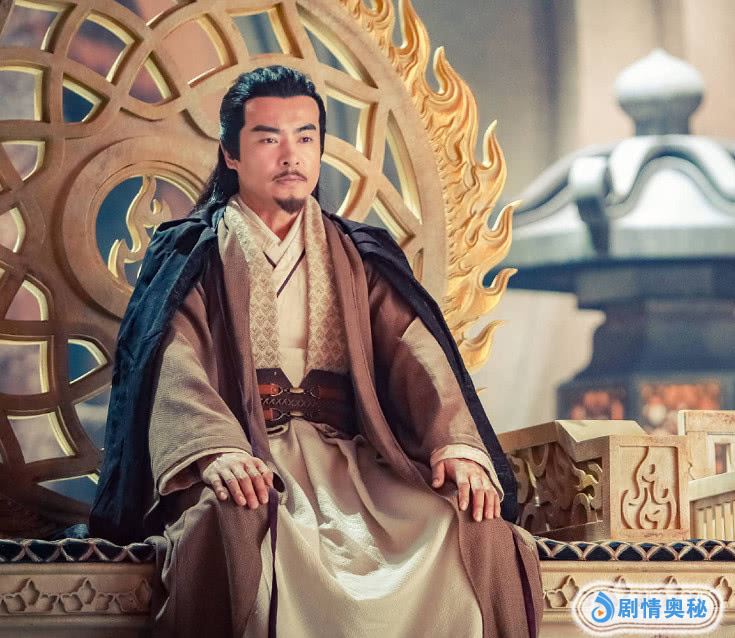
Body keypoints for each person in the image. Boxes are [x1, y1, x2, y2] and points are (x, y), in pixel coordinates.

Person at [90, 65, 542, 637]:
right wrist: (215, 451)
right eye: (268, 138)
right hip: (251, 455)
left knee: (464, 522)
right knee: (235, 517)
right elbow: (173, 361)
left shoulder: (356, 254)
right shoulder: (195, 254)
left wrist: (455, 444)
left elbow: (413, 352)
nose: (291, 155)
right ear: (231, 154)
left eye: (305, 137)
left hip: (353, 464)